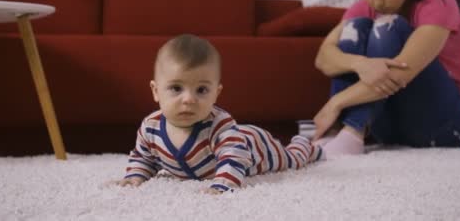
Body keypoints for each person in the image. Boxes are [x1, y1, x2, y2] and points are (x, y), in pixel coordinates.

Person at [313, 0, 460, 157]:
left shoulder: (437, 3)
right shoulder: (366, 7)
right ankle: (339, 133)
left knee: (388, 26)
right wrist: (360, 64)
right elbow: (324, 58)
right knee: (355, 27)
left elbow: (400, 73)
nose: (376, 1)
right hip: (390, 128)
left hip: (446, 126)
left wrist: (335, 103)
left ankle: (352, 131)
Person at [116, 34, 323, 193]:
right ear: (155, 91)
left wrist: (222, 185)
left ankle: (306, 145)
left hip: (255, 147)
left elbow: (234, 157)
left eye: (201, 90)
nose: (188, 99)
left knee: (291, 159)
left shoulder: (220, 126)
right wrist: (135, 176)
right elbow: (143, 158)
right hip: (237, 138)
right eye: (176, 88)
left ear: (216, 93)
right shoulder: (150, 128)